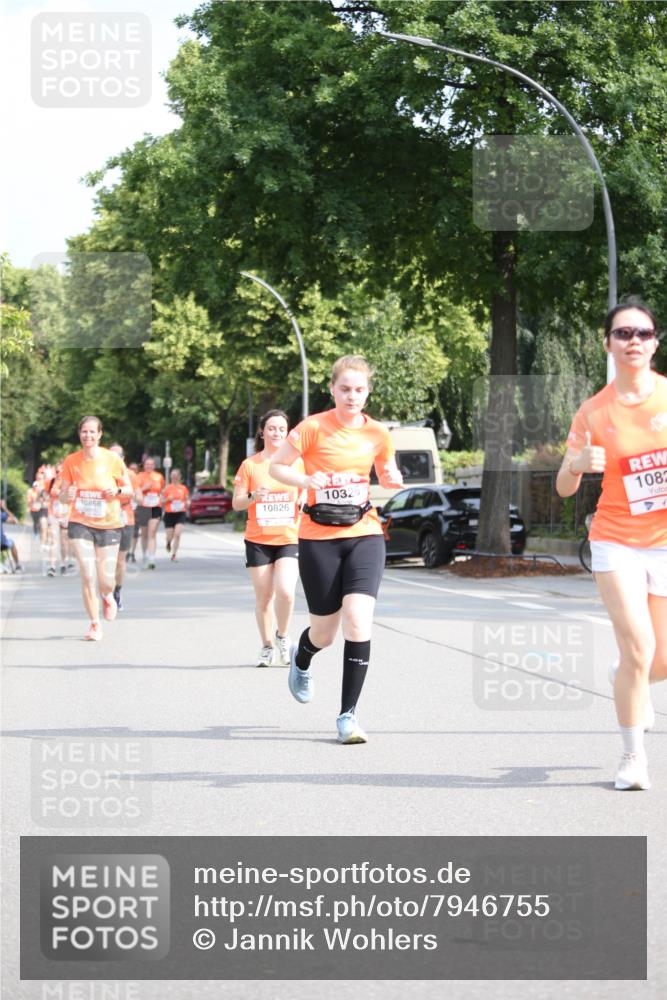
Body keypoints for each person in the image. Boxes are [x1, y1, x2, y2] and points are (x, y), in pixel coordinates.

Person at [556, 300, 667, 791]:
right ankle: (632, 757)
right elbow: (563, 486)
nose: (634, 341)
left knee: (656, 660)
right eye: (623, 333)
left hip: (664, 542)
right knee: (640, 647)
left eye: (643, 333)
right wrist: (577, 461)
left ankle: (626, 676)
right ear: (608, 343)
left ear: (655, 342)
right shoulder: (593, 410)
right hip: (616, 540)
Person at [270, 356, 404, 743]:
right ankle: (303, 656)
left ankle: (348, 716)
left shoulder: (378, 432)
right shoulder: (311, 428)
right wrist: (308, 478)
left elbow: (388, 472)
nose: (352, 395)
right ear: (332, 389)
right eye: (344, 388)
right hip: (318, 536)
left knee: (358, 620)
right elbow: (280, 468)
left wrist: (393, 478)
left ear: (368, 392)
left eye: (359, 389)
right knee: (325, 633)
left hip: (364, 532)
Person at [232, 410, 302, 668]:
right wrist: (253, 497)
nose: (276, 433)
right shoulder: (250, 465)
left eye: (281, 429)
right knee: (264, 597)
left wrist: (305, 498)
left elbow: (308, 489)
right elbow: (237, 503)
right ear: (262, 432)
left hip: (288, 537)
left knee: (286, 591)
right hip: (258, 540)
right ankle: (266, 646)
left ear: (287, 432)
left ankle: (282, 636)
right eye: (271, 428)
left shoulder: (296, 463)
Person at [59, 416, 133, 641]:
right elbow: (62, 495)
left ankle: (108, 595)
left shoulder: (112, 459)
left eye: (92, 432)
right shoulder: (72, 461)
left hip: (109, 524)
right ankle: (94, 624)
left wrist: (117, 492)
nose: (88, 436)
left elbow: (129, 490)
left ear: (100, 434)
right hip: (80, 522)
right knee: (87, 574)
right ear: (79, 434)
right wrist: (67, 495)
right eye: (84, 432)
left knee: (105, 579)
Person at [109, 443, 140, 611]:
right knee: (106, 560)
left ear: (122, 458)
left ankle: (117, 591)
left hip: (125, 519)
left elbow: (138, 494)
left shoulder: (130, 475)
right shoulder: (102, 474)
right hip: (105, 520)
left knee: (120, 561)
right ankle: (106, 591)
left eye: (116, 456)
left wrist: (137, 498)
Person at [135, 457, 165, 569]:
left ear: (154, 466)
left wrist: (162, 497)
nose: (149, 466)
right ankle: (144, 554)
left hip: (155, 507)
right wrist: (144, 488)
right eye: (147, 464)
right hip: (143, 506)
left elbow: (162, 490)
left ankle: (151, 558)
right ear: (144, 465)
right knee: (144, 533)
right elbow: (135, 492)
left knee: (152, 533)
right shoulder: (139, 476)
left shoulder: (159, 477)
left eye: (151, 464)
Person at [162, 468, 190, 562]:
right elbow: (161, 502)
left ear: (179, 477)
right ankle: (168, 542)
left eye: (176, 476)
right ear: (170, 477)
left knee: (177, 534)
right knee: (169, 536)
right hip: (169, 513)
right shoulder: (167, 488)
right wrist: (167, 499)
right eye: (172, 476)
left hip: (180, 513)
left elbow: (187, 499)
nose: (174, 477)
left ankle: (174, 554)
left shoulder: (183, 488)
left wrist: (188, 503)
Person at [1, 500, 24, 572]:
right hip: (2, 543)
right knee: (12, 543)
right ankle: (17, 565)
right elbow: (15, 520)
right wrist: (4, 508)